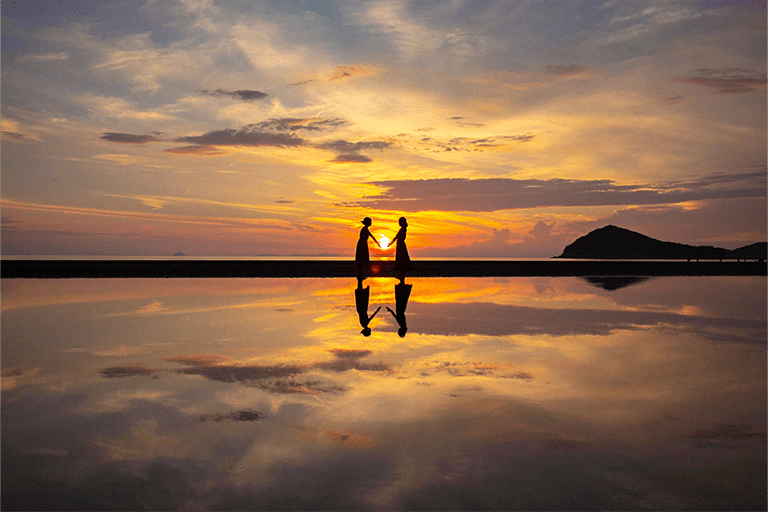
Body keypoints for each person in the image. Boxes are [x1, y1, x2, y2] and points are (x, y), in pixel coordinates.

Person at [387, 217, 412, 281]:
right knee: (402, 258)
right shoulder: (403, 229)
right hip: (400, 244)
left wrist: (390, 244)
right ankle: (401, 275)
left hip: (400, 244)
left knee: (401, 258)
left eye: (400, 222)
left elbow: (396, 237)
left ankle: (401, 274)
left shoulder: (402, 229)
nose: (399, 223)